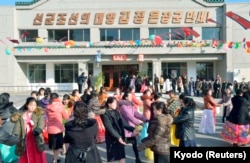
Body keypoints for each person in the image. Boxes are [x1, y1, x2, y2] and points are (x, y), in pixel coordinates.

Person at [11, 97, 47, 163]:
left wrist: (38, 129)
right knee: (26, 151)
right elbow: (18, 125)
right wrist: (16, 133)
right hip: (25, 137)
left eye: (34, 105)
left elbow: (41, 123)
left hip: (35, 137)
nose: (33, 107)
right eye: (31, 105)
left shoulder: (39, 114)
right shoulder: (22, 114)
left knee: (37, 153)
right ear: (27, 105)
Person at [101, 97, 136, 163]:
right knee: (111, 158)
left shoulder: (116, 111)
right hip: (111, 138)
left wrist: (132, 129)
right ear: (109, 104)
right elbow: (109, 128)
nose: (116, 104)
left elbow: (122, 122)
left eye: (116, 103)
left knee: (122, 156)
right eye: (114, 103)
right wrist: (118, 137)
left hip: (120, 136)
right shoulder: (105, 114)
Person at [119, 91, 147, 163]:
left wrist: (145, 119)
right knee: (122, 146)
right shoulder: (123, 106)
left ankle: (137, 159)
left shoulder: (131, 105)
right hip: (125, 128)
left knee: (134, 144)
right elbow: (129, 116)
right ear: (126, 97)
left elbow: (137, 114)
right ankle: (122, 160)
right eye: (130, 96)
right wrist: (138, 123)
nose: (131, 97)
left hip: (132, 128)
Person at [46, 93, 69, 163]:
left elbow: (47, 116)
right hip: (58, 128)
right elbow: (66, 117)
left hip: (50, 129)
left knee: (54, 145)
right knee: (57, 145)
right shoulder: (60, 106)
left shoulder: (48, 106)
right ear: (57, 98)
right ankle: (55, 160)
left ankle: (57, 157)